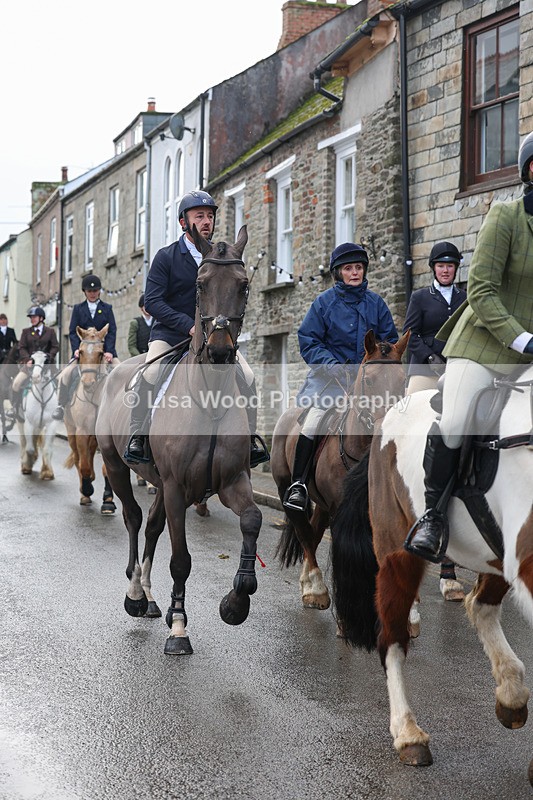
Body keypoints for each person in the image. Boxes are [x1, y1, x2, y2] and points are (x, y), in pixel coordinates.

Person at [406, 131, 533, 563]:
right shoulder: (506, 217)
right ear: (531, 170)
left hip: (531, 355)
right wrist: (522, 337)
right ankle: (432, 517)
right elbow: (479, 289)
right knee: (457, 420)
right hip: (485, 344)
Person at [123, 189, 269, 468]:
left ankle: (249, 440)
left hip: (215, 337)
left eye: (210, 216)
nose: (206, 221)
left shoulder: (221, 257)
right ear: (183, 222)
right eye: (199, 216)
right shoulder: (166, 257)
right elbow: (153, 301)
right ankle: (138, 436)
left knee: (248, 377)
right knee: (150, 373)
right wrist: (188, 327)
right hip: (170, 335)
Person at [283, 242, 398, 512]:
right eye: (349, 268)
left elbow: (389, 341)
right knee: (313, 421)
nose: (355, 273)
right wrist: (333, 365)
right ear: (339, 273)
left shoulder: (376, 304)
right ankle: (298, 484)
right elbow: (308, 340)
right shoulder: (324, 303)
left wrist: (379, 361)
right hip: (329, 380)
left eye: (358, 267)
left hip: (369, 382)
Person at [403, 241, 467, 599]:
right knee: (415, 413)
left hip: (458, 368)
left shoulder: (464, 298)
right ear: (433, 269)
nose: (445, 270)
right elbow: (411, 335)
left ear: (456, 269)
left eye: (451, 266)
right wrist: (430, 360)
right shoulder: (420, 298)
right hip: (426, 369)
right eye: (441, 266)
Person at [52, 274, 119, 421]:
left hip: (103, 353)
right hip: (83, 353)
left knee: (120, 370)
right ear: (85, 292)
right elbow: (72, 332)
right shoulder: (78, 309)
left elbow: (112, 330)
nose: (93, 294)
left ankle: (120, 406)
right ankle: (61, 405)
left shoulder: (107, 308)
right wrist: (76, 348)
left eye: (95, 291)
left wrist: (109, 351)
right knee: (66, 374)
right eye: (90, 291)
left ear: (99, 291)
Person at [10, 307, 59, 421]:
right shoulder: (26, 332)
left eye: (34, 317)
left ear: (41, 318)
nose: (32, 319)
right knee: (16, 383)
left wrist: (48, 357)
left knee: (61, 381)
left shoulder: (50, 331)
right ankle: (14, 408)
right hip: (30, 366)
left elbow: (55, 347)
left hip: (47, 366)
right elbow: (21, 347)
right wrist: (27, 359)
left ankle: (61, 408)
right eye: (31, 317)